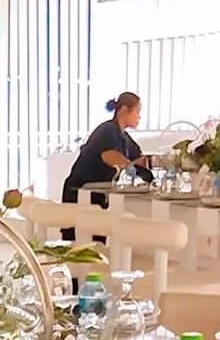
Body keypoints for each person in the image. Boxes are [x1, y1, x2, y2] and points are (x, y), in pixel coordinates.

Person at [61, 92, 152, 239]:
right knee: (77, 240)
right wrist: (131, 168)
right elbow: (110, 157)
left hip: (98, 193)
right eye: (137, 111)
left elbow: (139, 159)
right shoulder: (107, 130)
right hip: (80, 190)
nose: (139, 116)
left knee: (98, 240)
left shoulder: (124, 137)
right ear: (124, 109)